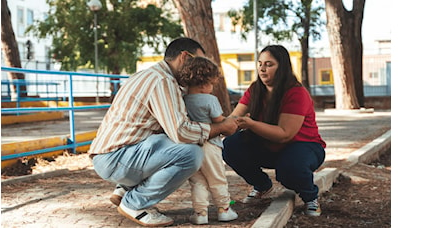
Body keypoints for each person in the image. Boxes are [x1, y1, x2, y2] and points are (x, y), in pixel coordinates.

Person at [88, 37, 238, 227]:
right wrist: (222, 128)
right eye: (198, 62)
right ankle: (134, 204)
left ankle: (125, 189)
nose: (199, 71)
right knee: (191, 154)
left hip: (113, 155)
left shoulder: (147, 75)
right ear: (184, 57)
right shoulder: (163, 81)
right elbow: (181, 132)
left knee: (168, 142)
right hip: (116, 159)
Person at [222, 45, 326, 217]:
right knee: (231, 145)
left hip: (304, 146)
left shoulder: (296, 93)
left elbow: (285, 134)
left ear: (282, 67)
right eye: (260, 63)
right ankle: (262, 185)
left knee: (289, 170)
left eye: (269, 64)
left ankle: (310, 197)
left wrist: (252, 124)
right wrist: (211, 123)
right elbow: (233, 118)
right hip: (270, 146)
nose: (262, 69)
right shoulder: (255, 89)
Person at [177, 56, 238, 225]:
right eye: (211, 84)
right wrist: (233, 122)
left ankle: (200, 213)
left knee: (198, 182)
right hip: (211, 145)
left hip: (191, 147)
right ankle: (224, 209)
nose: (212, 88)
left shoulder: (182, 100)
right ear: (204, 85)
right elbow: (219, 120)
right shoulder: (210, 100)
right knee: (217, 178)